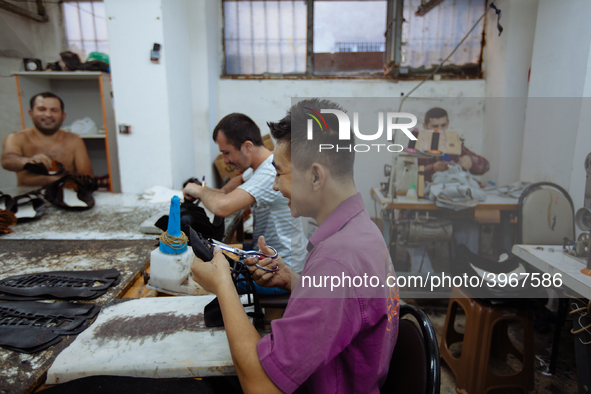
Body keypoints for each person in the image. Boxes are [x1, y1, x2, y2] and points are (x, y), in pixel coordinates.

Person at [190, 99, 399, 393]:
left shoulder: (337, 260)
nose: (275, 186)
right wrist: (292, 280)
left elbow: (260, 387)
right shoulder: (363, 231)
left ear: (315, 176)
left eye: (279, 173)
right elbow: (349, 306)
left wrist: (222, 283)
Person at [182, 113, 307, 276]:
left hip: (283, 267)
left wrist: (199, 190)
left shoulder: (269, 172)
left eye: (226, 153)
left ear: (248, 146)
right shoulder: (260, 168)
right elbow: (231, 187)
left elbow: (221, 207)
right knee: (217, 255)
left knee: (204, 276)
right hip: (266, 254)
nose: (225, 160)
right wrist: (210, 192)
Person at [1, 92, 93, 187]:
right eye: (42, 109)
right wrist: (29, 161)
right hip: (29, 197)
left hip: (67, 196)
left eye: (54, 110)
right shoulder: (16, 138)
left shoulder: (74, 140)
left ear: (63, 116)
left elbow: (87, 177)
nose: (48, 114)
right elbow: (7, 161)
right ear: (31, 113)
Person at [419, 107, 489, 182]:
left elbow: (485, 166)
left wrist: (471, 161)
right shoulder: (418, 147)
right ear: (425, 126)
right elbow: (410, 173)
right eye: (435, 126)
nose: (440, 130)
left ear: (448, 123)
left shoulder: (454, 145)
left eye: (443, 125)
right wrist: (432, 168)